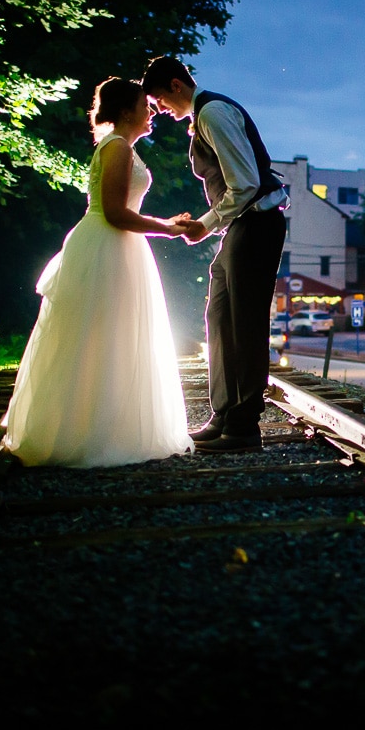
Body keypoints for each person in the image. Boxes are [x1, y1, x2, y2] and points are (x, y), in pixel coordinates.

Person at [1, 77, 193, 467]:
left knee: (105, 337)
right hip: (107, 245)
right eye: (145, 104)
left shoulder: (119, 147)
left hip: (114, 246)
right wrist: (168, 227)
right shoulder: (118, 147)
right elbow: (115, 213)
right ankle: (92, 432)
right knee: (102, 335)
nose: (151, 111)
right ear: (126, 112)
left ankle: (98, 425)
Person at [141, 56, 289, 454]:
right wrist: (211, 224)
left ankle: (243, 427)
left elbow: (245, 184)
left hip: (257, 222)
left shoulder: (214, 113)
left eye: (159, 100)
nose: (161, 111)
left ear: (176, 85)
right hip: (242, 225)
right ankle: (224, 415)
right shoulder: (203, 117)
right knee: (219, 315)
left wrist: (205, 224)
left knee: (244, 323)